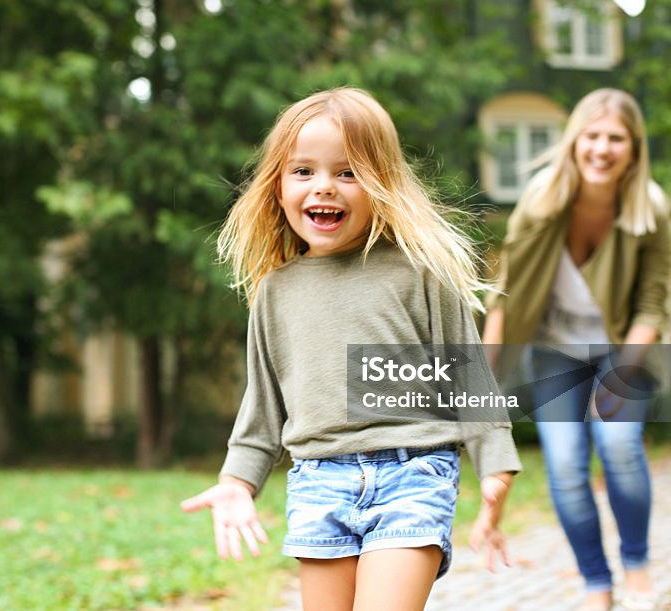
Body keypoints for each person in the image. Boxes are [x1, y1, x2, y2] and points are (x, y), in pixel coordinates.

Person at [180, 87, 522, 611]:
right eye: (303, 172)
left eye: (347, 172)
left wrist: (494, 463)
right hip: (319, 482)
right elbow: (264, 407)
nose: (325, 187)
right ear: (277, 185)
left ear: (382, 182)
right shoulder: (276, 291)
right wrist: (236, 481)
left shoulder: (420, 272)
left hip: (413, 474)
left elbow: (469, 380)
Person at [482, 88, 671, 611]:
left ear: (634, 149)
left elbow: (652, 307)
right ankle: (597, 582)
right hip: (553, 352)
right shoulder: (542, 202)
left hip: (620, 349)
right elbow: (504, 295)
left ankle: (636, 565)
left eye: (616, 138)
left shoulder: (650, 210)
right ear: (574, 142)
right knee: (566, 465)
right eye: (591, 135)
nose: (602, 148)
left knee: (618, 445)